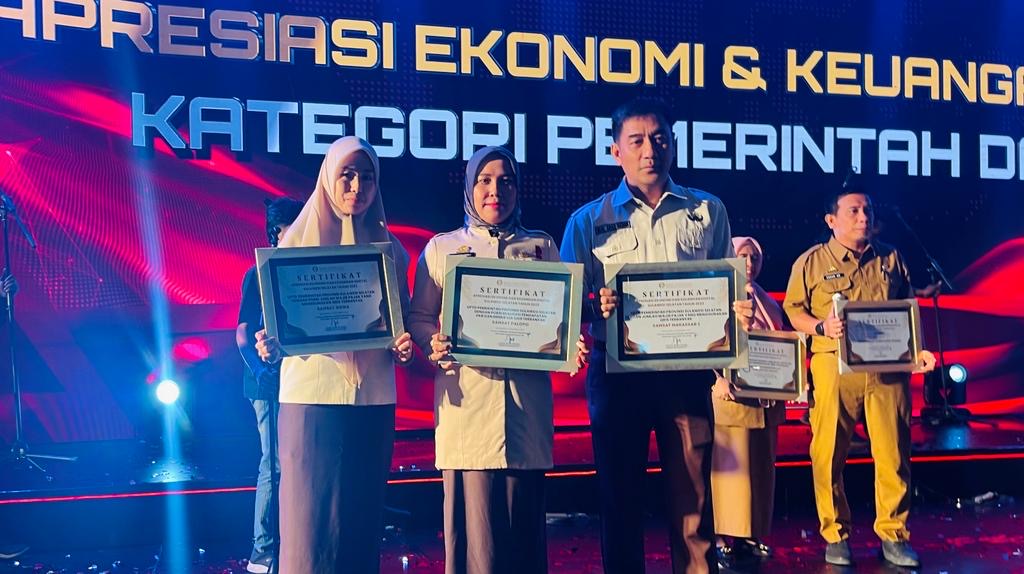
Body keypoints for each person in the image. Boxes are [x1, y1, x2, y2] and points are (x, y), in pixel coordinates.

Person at [560, 98, 753, 574]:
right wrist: (594, 305)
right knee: (619, 496)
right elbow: (564, 308)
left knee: (694, 497)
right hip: (616, 376)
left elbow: (724, 288)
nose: (650, 150)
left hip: (685, 376)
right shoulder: (586, 221)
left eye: (660, 138)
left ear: (673, 144)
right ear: (616, 152)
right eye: (637, 141)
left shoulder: (707, 210)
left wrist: (735, 312)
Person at [255, 136, 414, 574]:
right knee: (308, 531)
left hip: (373, 401)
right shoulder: (292, 246)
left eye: (367, 177)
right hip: (311, 400)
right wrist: (270, 345)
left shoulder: (392, 252)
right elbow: (276, 331)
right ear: (328, 177)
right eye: (347, 175)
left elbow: (399, 326)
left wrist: (403, 348)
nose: (357, 187)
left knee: (360, 523)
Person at [408, 146, 559, 574]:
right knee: (476, 545)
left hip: (526, 411)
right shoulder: (442, 248)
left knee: (523, 539)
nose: (496, 191)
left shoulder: (541, 245)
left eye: (506, 181)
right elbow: (419, 316)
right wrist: (432, 342)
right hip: (467, 411)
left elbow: (558, 321)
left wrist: (570, 344)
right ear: (469, 187)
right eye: (485, 180)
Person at [782, 180, 936, 568]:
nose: (863, 217)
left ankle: (894, 534)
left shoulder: (891, 258)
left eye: (867, 210)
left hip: (887, 369)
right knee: (828, 453)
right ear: (831, 220)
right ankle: (835, 533)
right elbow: (793, 311)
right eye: (853, 211)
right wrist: (820, 327)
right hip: (834, 367)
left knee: (894, 453)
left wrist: (917, 351)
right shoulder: (811, 262)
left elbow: (907, 309)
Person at [235, 196, 304, 573]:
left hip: (298, 379)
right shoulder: (257, 273)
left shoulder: (303, 269)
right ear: (276, 232)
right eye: (293, 227)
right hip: (266, 383)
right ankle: (263, 552)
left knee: (291, 462)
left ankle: (291, 544)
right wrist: (260, 368)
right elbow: (242, 332)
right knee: (273, 463)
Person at [710, 236, 787, 565]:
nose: (750, 263)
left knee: (759, 472)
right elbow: (706, 342)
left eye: (755, 257)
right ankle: (720, 538)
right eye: (743, 256)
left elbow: (780, 344)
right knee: (730, 476)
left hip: (764, 399)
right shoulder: (718, 294)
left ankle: (749, 535)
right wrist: (715, 379)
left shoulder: (765, 299)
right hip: (732, 399)